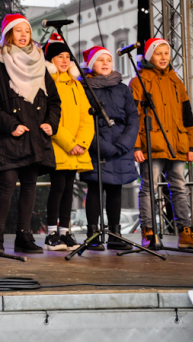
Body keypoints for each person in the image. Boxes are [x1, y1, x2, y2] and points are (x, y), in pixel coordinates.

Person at [0, 14, 61, 254]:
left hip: (36, 134)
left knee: (30, 185)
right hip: (13, 134)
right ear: (8, 34)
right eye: (18, 30)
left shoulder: (41, 64)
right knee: (6, 184)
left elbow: (54, 101)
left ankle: (23, 236)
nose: (24, 34)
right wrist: (11, 125)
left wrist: (50, 123)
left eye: (27, 30)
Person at [131, 38, 193, 250]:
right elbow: (133, 117)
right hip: (152, 144)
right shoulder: (139, 81)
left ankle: (185, 233)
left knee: (179, 187)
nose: (164, 57)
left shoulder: (176, 81)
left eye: (167, 53)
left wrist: (192, 146)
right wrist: (136, 146)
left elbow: (188, 115)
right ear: (149, 56)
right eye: (159, 53)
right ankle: (148, 232)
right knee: (149, 187)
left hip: (176, 143)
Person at [79, 46, 139, 251]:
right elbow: (83, 122)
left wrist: (123, 143)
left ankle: (115, 234)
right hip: (98, 147)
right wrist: (102, 146)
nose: (105, 63)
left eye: (108, 60)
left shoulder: (122, 89)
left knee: (116, 190)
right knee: (95, 189)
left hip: (120, 148)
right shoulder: (85, 89)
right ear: (90, 65)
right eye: (100, 60)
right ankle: (93, 234)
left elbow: (133, 118)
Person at [43, 33, 93, 251]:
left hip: (76, 148)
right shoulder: (47, 82)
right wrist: (68, 143)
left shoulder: (76, 85)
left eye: (67, 57)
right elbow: (48, 116)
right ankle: (51, 234)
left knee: (68, 187)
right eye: (59, 57)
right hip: (57, 146)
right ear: (51, 60)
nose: (64, 61)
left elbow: (86, 116)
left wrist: (81, 142)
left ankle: (65, 231)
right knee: (57, 188)